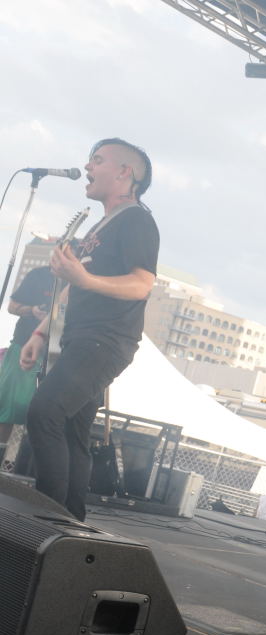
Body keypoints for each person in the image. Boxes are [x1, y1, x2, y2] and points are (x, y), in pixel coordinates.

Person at [20, 138, 158, 521]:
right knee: (71, 431)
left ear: (124, 172)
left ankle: (45, 519)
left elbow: (142, 284)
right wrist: (40, 333)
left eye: (97, 160)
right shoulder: (103, 224)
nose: (87, 167)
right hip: (81, 338)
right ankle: (69, 522)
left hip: (105, 340)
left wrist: (83, 278)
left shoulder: (136, 220)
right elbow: (74, 286)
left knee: (45, 412)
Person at [0, 266, 54, 449]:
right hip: (23, 346)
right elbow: (12, 306)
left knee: (44, 414)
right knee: (6, 408)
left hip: (58, 355)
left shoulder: (81, 279)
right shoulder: (38, 274)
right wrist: (32, 310)